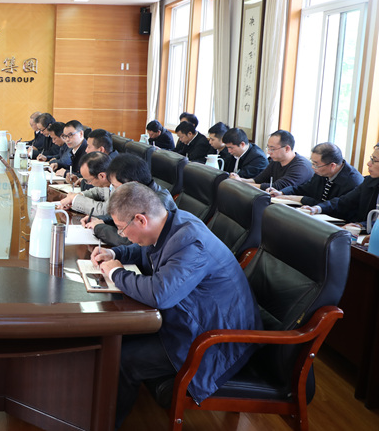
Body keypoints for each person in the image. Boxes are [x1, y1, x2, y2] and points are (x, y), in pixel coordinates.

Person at [90, 182, 261, 428]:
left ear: (140, 220)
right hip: (191, 322)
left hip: (214, 343)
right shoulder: (169, 222)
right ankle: (92, 410)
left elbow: (160, 294)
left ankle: (105, 425)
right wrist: (116, 254)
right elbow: (143, 250)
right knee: (112, 338)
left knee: (123, 359)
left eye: (121, 228)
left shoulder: (190, 243)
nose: (122, 234)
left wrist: (116, 274)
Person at [81, 153, 176, 246]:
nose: (114, 191)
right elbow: (126, 216)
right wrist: (100, 220)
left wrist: (98, 227)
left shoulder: (156, 204)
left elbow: (131, 241)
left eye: (115, 186)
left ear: (133, 184)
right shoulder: (138, 194)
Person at [303, 142, 379, 226]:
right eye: (371, 158)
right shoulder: (370, 181)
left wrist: (361, 226)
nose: (368, 163)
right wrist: (317, 208)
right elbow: (343, 201)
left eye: (374, 160)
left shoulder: (353, 180)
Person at [270, 142, 362, 205]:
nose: (313, 167)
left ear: (332, 166)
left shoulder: (352, 181)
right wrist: (281, 193)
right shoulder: (322, 172)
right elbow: (304, 188)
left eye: (316, 164)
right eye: (312, 163)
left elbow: (332, 206)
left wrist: (301, 199)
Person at [232, 130, 313, 191]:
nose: (269, 152)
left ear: (287, 148)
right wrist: (238, 179)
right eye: (268, 148)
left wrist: (241, 182)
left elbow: (277, 187)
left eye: (272, 149)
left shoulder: (301, 167)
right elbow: (258, 180)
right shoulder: (275, 160)